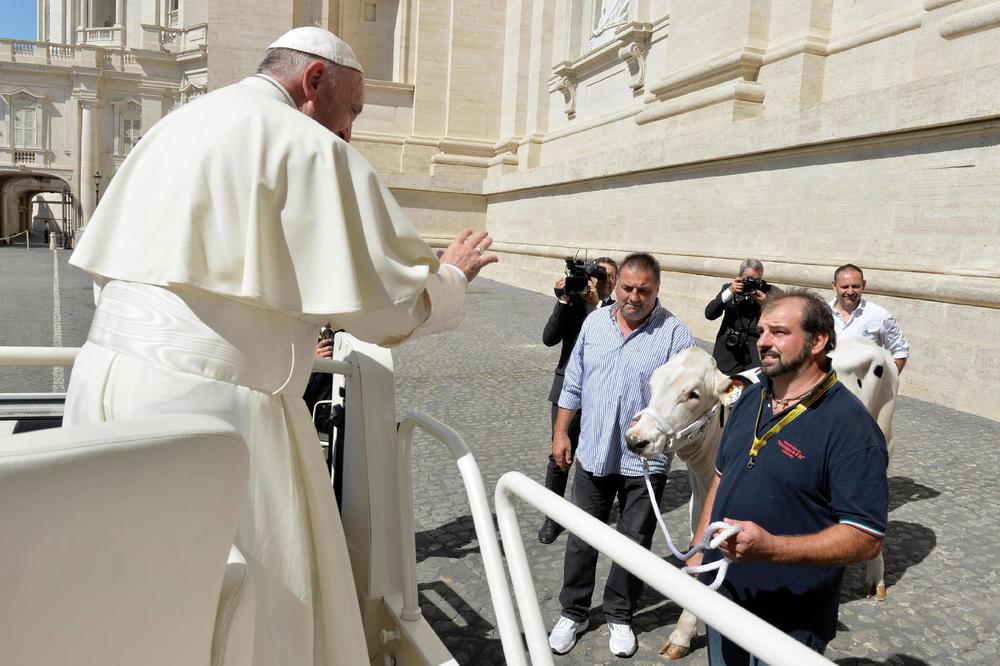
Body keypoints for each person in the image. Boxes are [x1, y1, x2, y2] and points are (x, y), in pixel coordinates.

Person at [63, 27, 497, 666]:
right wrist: (452, 277)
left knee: (122, 591)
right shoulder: (307, 146)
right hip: (214, 414)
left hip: (101, 389)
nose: (349, 132)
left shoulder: (173, 126)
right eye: (352, 111)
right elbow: (386, 307)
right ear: (314, 81)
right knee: (252, 610)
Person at [691, 290, 888, 664]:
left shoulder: (852, 427)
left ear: (818, 341)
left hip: (791, 618)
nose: (763, 341)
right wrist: (699, 551)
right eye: (762, 331)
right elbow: (721, 477)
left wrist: (771, 548)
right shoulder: (749, 398)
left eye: (779, 332)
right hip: (724, 598)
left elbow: (866, 538)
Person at [547, 253, 695, 658]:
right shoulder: (595, 322)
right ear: (618, 286)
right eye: (627, 288)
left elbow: (686, 398)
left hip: (645, 462)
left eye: (643, 290)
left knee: (634, 541)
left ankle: (619, 613)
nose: (633, 297)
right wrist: (561, 433)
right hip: (594, 450)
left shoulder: (675, 335)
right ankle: (573, 611)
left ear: (657, 289)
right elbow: (573, 382)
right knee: (581, 538)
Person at [537, 256, 617, 545]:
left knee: (597, 454)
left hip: (601, 394)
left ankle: (589, 513)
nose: (602, 281)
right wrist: (563, 300)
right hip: (566, 392)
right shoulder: (571, 303)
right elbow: (549, 338)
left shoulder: (617, 311)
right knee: (559, 456)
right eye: (598, 275)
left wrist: (595, 307)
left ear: (615, 282)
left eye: (608, 277)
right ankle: (553, 517)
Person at [830, 263, 910, 373]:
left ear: (863, 285)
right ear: (834, 286)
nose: (850, 292)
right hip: (827, 382)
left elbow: (900, 350)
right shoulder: (821, 313)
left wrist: (889, 380)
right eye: (845, 287)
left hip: (863, 383)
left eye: (856, 286)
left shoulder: (879, 315)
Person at [704, 258, 779, 374]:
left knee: (756, 385)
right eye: (748, 279)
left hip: (756, 357)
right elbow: (709, 314)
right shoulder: (729, 289)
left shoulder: (771, 292)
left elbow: (783, 321)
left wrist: (767, 304)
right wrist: (728, 293)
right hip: (728, 354)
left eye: (757, 280)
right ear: (740, 276)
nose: (752, 283)